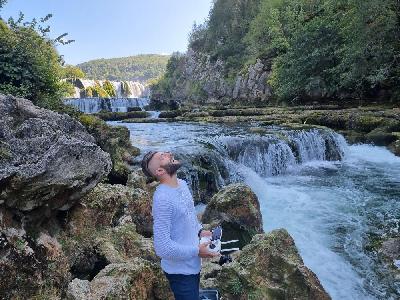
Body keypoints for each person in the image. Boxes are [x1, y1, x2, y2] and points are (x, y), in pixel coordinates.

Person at [141, 151, 219, 300]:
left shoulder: (182, 184)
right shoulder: (162, 199)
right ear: (160, 171)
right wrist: (197, 251)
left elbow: (189, 217)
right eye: (162, 156)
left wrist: (201, 231)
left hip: (194, 264)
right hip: (180, 273)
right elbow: (162, 247)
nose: (168, 153)